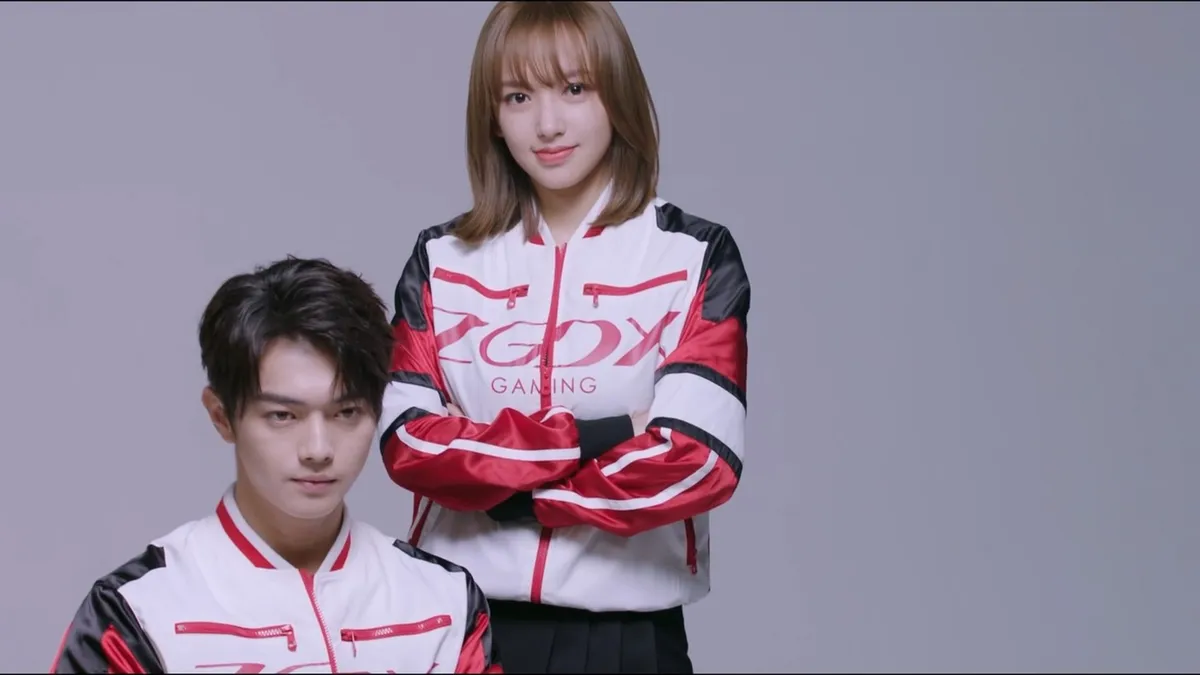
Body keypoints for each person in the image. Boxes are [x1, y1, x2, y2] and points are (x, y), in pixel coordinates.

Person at [378, 1, 751, 672]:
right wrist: (604, 435)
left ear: (618, 94)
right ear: (492, 115)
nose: (547, 124)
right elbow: (409, 443)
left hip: (626, 642)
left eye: (574, 89)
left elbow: (697, 459)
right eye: (518, 96)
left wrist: (513, 494)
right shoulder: (441, 260)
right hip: (462, 633)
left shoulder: (693, 256)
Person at [49, 257, 503, 674]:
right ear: (221, 416)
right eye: (283, 416)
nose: (318, 449)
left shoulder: (443, 599)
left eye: (346, 412)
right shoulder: (137, 610)